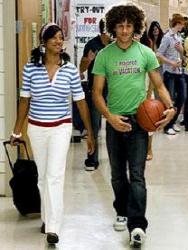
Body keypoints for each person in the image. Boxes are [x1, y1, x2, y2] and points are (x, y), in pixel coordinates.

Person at [92, 4, 175, 247]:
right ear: (113, 27)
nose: (125, 30)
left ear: (136, 27)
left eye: (129, 26)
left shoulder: (145, 53)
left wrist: (170, 107)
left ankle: (137, 224)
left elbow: (159, 86)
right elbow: (96, 92)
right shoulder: (104, 55)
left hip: (139, 122)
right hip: (115, 121)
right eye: (120, 25)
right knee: (118, 175)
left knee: (137, 175)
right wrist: (109, 117)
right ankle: (122, 209)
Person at [10, 23, 94, 244]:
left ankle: (53, 227)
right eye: (54, 38)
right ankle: (47, 217)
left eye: (61, 37)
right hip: (37, 128)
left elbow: (80, 102)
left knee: (55, 176)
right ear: (44, 41)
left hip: (61, 128)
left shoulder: (70, 69)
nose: (59, 41)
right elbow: (25, 101)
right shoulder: (30, 68)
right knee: (43, 177)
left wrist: (90, 133)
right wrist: (16, 131)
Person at [79, 19, 110, 171]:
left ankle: (118, 158)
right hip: (96, 90)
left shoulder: (116, 45)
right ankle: (92, 159)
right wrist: (88, 60)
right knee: (94, 125)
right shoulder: (92, 44)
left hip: (114, 90)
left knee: (117, 124)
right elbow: (81, 68)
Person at [157, 14, 186, 135]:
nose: (183, 26)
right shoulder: (167, 37)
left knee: (182, 97)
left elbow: (182, 54)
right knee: (170, 100)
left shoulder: (179, 37)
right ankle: (167, 125)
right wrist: (171, 63)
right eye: (182, 24)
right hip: (169, 72)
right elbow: (158, 54)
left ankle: (173, 121)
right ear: (177, 24)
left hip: (179, 72)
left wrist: (181, 52)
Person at [146, 20, 164, 160]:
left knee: (149, 121)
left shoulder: (148, 47)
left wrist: (148, 93)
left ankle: (149, 148)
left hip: (148, 87)